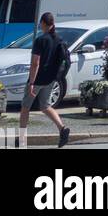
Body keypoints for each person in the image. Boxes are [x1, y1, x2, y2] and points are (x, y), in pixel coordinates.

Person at [19, 11, 70, 148]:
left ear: (42, 23)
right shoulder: (59, 40)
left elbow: (35, 63)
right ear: (53, 24)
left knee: (25, 107)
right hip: (51, 79)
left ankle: (22, 139)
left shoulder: (40, 40)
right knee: (45, 105)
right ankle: (62, 128)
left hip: (38, 79)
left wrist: (31, 83)